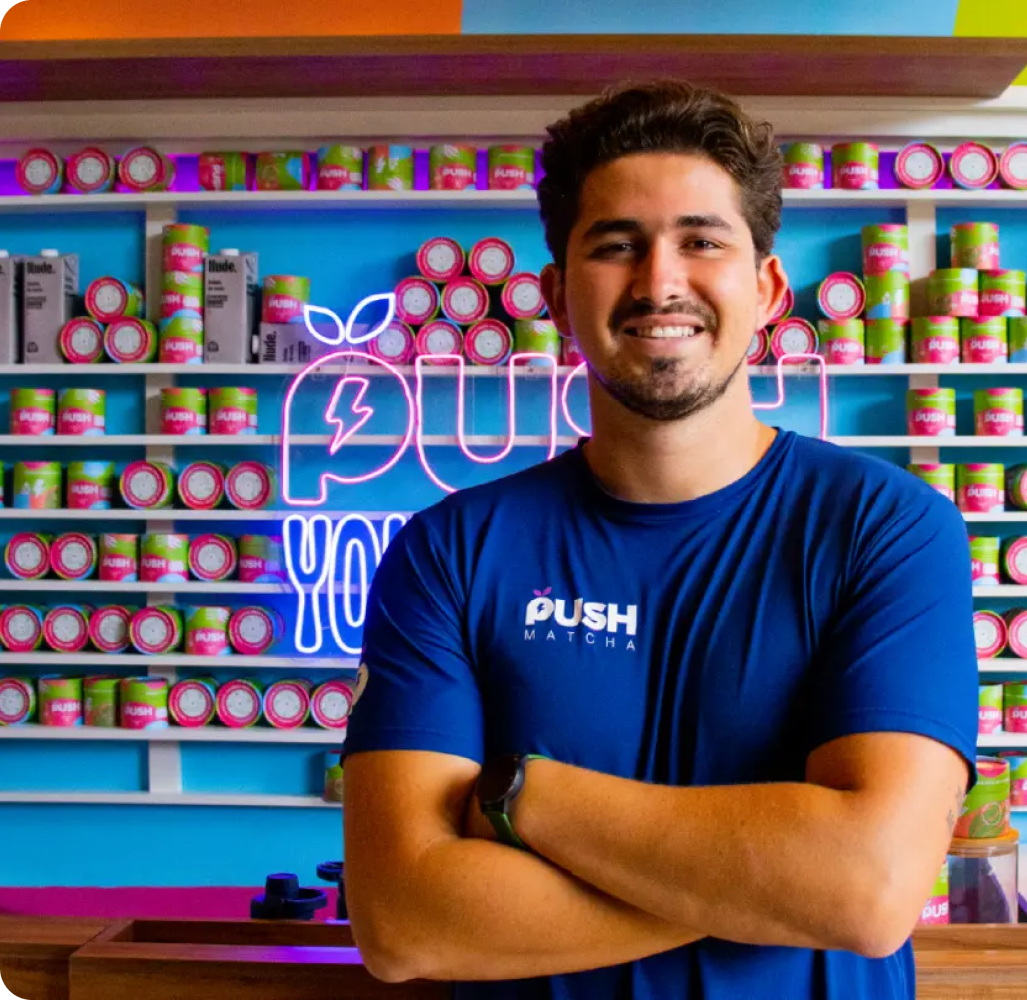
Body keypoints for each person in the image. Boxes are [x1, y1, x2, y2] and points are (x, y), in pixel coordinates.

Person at [342, 79, 978, 999]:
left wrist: (523, 796)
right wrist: (786, 880)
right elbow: (405, 924)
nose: (658, 282)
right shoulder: (448, 553)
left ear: (767, 288)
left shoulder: (887, 528)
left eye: (701, 241)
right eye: (615, 245)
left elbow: (869, 890)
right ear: (557, 295)